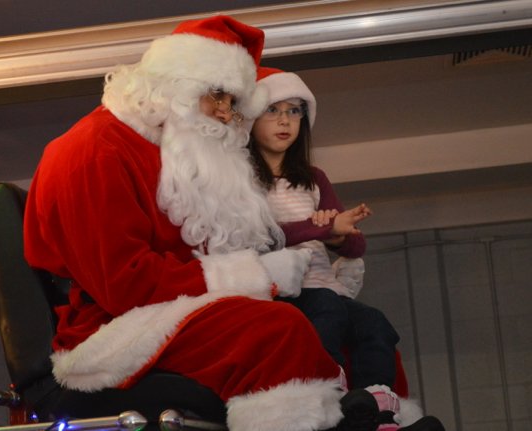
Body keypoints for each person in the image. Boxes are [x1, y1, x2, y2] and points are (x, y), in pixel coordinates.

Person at [23, 15, 366, 431]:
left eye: (233, 104)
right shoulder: (93, 150)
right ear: (174, 85)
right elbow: (124, 285)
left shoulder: (172, 152)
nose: (224, 115)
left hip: (168, 308)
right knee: (276, 329)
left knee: (347, 322)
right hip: (110, 331)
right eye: (216, 96)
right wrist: (253, 274)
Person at [247, 67, 445, 431]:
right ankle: (330, 398)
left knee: (375, 322)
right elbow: (258, 236)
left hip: (328, 287)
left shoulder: (314, 177)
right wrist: (319, 226)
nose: (285, 121)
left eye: (294, 111)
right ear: (250, 117)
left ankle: (377, 406)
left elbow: (354, 244)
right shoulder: (242, 178)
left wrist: (337, 234)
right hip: (284, 292)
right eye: (273, 110)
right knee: (326, 309)